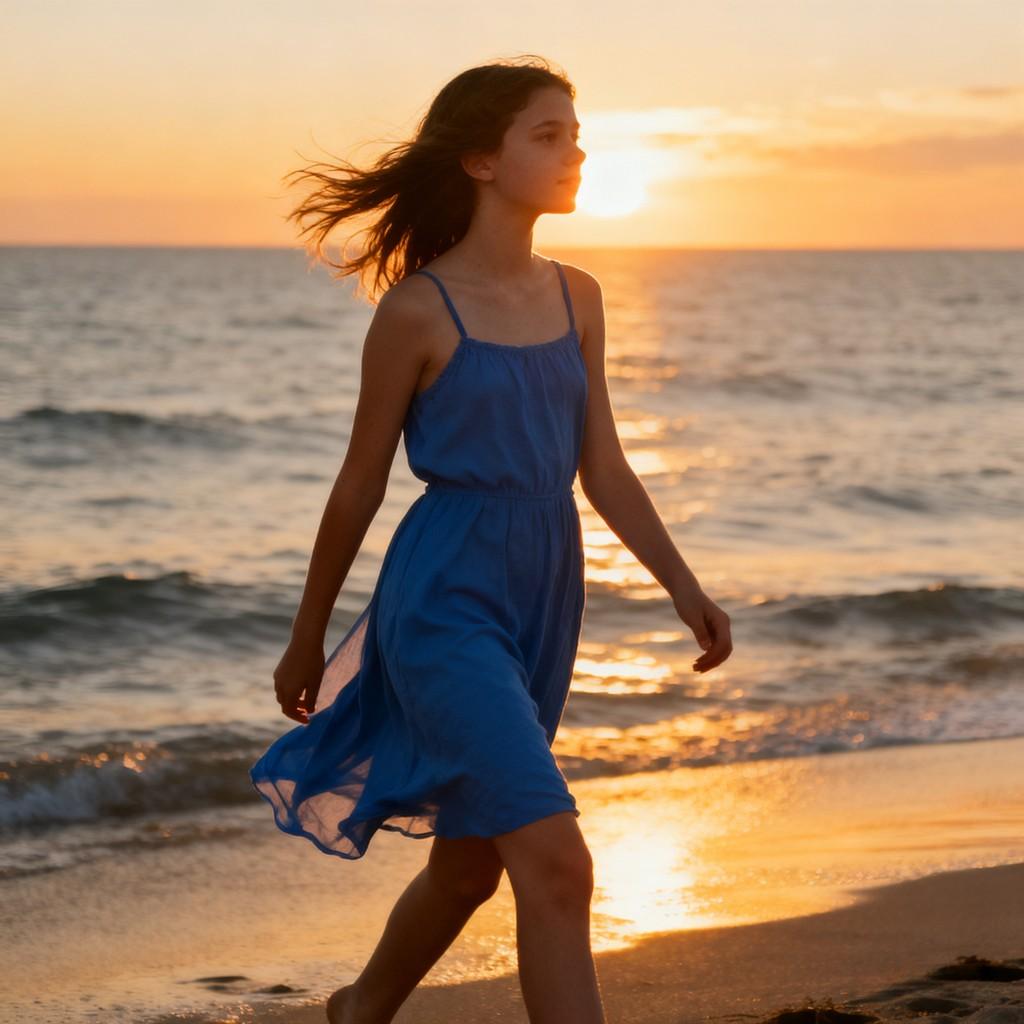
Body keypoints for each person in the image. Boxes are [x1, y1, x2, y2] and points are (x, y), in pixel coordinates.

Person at [249, 55, 732, 1024]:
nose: (574, 150)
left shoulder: (579, 294)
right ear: (479, 158)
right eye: (546, 134)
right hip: (443, 595)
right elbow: (358, 485)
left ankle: (361, 1007)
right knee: (556, 861)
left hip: (544, 592)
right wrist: (308, 637)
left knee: (471, 861)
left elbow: (603, 466)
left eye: (575, 131)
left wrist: (685, 587)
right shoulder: (419, 308)